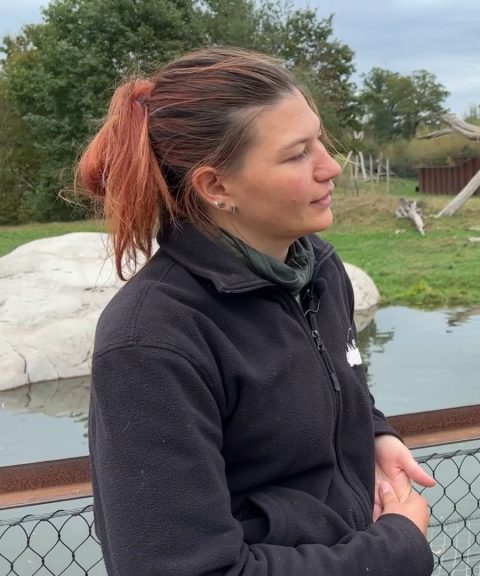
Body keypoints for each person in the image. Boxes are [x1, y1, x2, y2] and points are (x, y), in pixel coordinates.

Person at [78, 47, 435, 576]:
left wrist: (374, 432)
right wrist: (394, 550)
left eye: (320, 140)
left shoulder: (318, 272)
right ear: (216, 187)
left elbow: (336, 380)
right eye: (297, 154)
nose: (330, 166)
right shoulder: (151, 342)